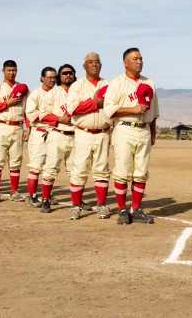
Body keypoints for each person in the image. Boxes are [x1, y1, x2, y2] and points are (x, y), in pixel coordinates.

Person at [105, 47, 160, 225]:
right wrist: (132, 109)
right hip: (124, 129)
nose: (139, 61)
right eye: (135, 58)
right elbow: (109, 111)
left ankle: (135, 209)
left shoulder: (149, 82)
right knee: (122, 171)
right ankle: (122, 209)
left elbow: (154, 112)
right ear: (125, 62)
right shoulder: (116, 83)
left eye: (141, 58)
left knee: (141, 172)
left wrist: (152, 132)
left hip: (143, 129)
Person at [67, 54, 114, 220]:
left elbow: (115, 106)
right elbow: (73, 108)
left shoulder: (108, 84)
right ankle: (76, 205)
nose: (95, 65)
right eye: (90, 62)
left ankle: (101, 205)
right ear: (84, 66)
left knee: (101, 170)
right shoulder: (77, 86)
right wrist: (94, 103)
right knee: (79, 169)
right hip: (83, 132)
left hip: (103, 132)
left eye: (97, 62)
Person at [39, 64, 83, 214]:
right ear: (59, 76)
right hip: (58, 134)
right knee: (50, 169)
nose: (68, 75)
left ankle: (77, 201)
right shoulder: (53, 93)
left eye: (71, 73)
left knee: (76, 171)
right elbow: (43, 115)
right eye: (64, 73)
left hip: (76, 135)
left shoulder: (79, 91)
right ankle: (46, 199)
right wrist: (59, 119)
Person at [0, 60, 29, 203]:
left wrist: (27, 128)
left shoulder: (22, 88)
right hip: (1, 125)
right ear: (3, 71)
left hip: (17, 126)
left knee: (16, 161)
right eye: (9, 70)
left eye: (14, 70)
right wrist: (6, 103)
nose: (12, 73)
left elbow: (27, 110)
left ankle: (14, 191)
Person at [24, 67, 58, 207]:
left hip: (55, 132)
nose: (52, 80)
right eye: (49, 77)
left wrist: (46, 115)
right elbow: (31, 114)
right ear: (42, 78)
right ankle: (31, 195)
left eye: (54, 77)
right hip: (39, 132)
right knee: (35, 166)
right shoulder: (35, 94)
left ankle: (46, 195)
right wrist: (53, 117)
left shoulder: (59, 93)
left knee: (51, 166)